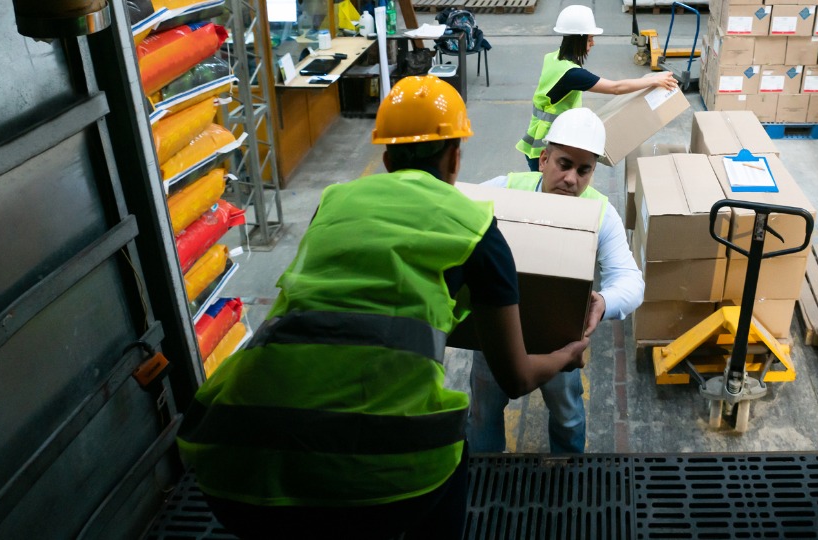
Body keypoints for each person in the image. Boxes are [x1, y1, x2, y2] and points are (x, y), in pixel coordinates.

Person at [176, 75, 591, 540]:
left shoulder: (333, 201)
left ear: (388, 158)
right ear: (456, 158)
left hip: (233, 461)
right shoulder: (476, 227)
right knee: (447, 465)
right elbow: (514, 379)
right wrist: (566, 355)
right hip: (386, 483)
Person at [470, 107, 644, 454]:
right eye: (564, 165)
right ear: (544, 159)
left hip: (559, 340)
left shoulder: (599, 211)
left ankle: (569, 477)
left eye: (584, 170)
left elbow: (630, 281)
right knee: (483, 414)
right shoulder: (504, 191)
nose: (572, 180)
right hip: (494, 331)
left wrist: (605, 301)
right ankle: (482, 475)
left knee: (567, 415)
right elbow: (452, 212)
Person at [516, 4, 678, 171]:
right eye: (590, 38)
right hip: (545, 150)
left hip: (546, 142)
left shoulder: (554, 58)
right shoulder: (572, 74)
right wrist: (653, 80)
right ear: (578, 39)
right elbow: (616, 87)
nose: (593, 43)